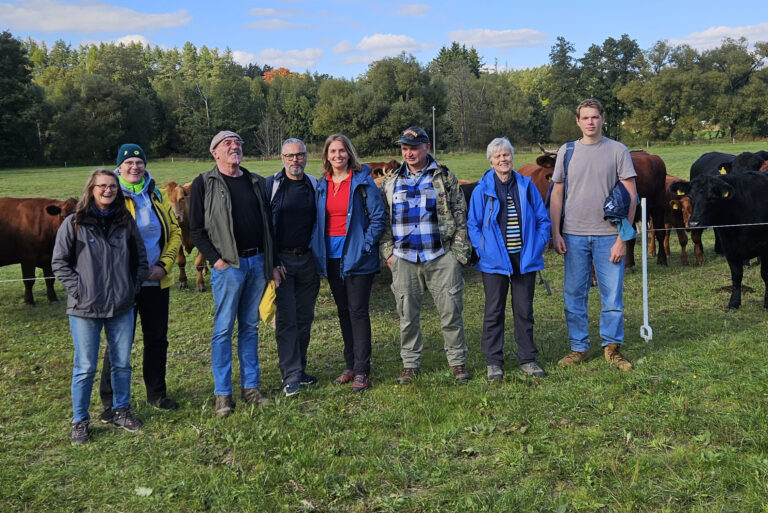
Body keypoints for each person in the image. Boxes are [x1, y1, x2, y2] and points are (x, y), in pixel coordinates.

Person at [52, 169, 148, 443]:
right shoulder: (75, 223)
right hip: (85, 309)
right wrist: (79, 289)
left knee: (122, 363)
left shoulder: (125, 222)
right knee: (85, 366)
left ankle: (121, 410)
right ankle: (80, 420)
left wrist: (131, 286)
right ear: (91, 189)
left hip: (121, 306)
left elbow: (140, 259)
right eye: (102, 186)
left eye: (113, 187)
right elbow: (59, 262)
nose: (108, 190)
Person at [189, 130, 278, 417]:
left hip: (256, 262)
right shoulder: (205, 182)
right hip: (229, 266)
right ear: (214, 152)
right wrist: (216, 261)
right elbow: (196, 229)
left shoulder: (255, 181)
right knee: (224, 329)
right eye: (227, 143)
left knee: (249, 327)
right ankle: (223, 394)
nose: (234, 147)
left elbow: (268, 225)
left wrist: (270, 262)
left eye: (237, 143)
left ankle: (251, 388)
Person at [549, 98, 637, 371]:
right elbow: (557, 193)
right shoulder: (567, 151)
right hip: (573, 235)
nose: (590, 122)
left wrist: (623, 239)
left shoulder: (618, 150)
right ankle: (579, 348)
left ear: (603, 119)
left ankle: (612, 347)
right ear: (578, 121)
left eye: (595, 117)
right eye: (585, 118)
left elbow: (631, 196)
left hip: (608, 236)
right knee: (574, 294)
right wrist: (556, 232)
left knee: (612, 295)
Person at [379, 126, 471, 384]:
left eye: (414, 148)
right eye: (405, 148)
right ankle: (410, 363)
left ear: (426, 148)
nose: (409, 153)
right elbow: (384, 221)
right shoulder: (391, 180)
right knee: (407, 315)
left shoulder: (444, 176)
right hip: (404, 258)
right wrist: (388, 253)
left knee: (451, 311)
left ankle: (457, 361)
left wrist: (457, 253)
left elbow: (460, 214)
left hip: (440, 255)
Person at [98, 144, 182, 423]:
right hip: (123, 284)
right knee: (119, 342)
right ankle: (110, 403)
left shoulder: (157, 195)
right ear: (119, 167)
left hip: (156, 282)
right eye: (129, 162)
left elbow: (175, 234)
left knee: (157, 339)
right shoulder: (109, 196)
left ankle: (157, 394)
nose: (135, 167)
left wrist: (164, 265)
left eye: (139, 162)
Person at [467, 138, 552, 381]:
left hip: (524, 258)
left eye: (506, 155)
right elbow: (473, 224)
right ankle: (494, 362)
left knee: (524, 310)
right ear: (490, 161)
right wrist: (484, 250)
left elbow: (542, 219)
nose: (503, 159)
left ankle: (527, 359)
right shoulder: (481, 189)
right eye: (498, 156)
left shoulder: (526, 185)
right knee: (494, 311)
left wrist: (538, 245)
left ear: (511, 157)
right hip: (494, 261)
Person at [313, 134, 386, 391]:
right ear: (327, 156)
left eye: (342, 151)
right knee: (343, 311)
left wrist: (365, 246)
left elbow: (378, 218)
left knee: (357, 311)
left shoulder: (363, 182)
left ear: (349, 153)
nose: (338, 155)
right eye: (333, 151)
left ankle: (363, 370)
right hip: (331, 257)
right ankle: (350, 364)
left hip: (357, 257)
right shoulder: (323, 184)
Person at [265, 138, 321, 397]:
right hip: (283, 263)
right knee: (286, 319)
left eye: (299, 155)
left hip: (307, 259)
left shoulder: (313, 184)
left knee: (305, 318)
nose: (295, 160)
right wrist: (273, 262)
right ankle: (290, 376)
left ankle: (301, 368)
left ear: (306, 156)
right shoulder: (272, 186)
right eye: (290, 156)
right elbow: (265, 228)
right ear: (282, 158)